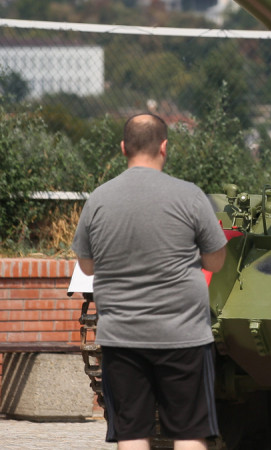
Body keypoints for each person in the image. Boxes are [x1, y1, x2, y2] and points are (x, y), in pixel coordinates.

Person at [73, 113, 227, 450]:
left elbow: (86, 266)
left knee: (131, 434)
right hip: (183, 335)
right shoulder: (191, 196)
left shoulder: (98, 199)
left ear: (123, 147)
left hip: (122, 335)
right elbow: (216, 259)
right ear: (164, 147)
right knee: (189, 433)